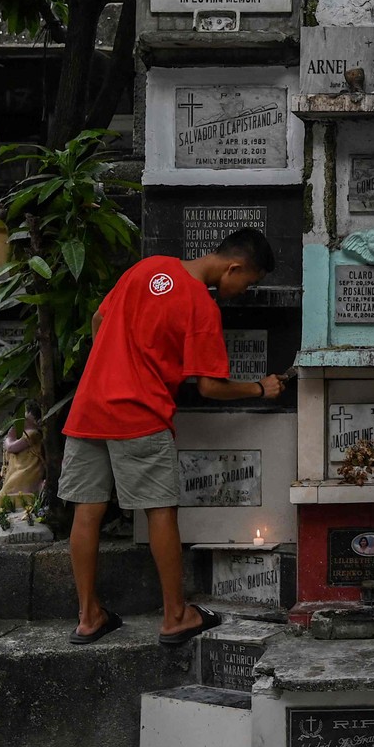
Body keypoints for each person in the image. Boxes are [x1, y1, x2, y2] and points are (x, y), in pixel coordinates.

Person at [60, 228, 286, 644]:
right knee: (161, 510)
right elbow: (209, 387)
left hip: (89, 405)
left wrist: (113, 367)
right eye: (248, 283)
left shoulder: (149, 267)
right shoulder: (201, 305)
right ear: (233, 267)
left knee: (86, 512)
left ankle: (89, 617)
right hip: (139, 415)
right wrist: (260, 388)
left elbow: (99, 318)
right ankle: (175, 616)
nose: (242, 291)